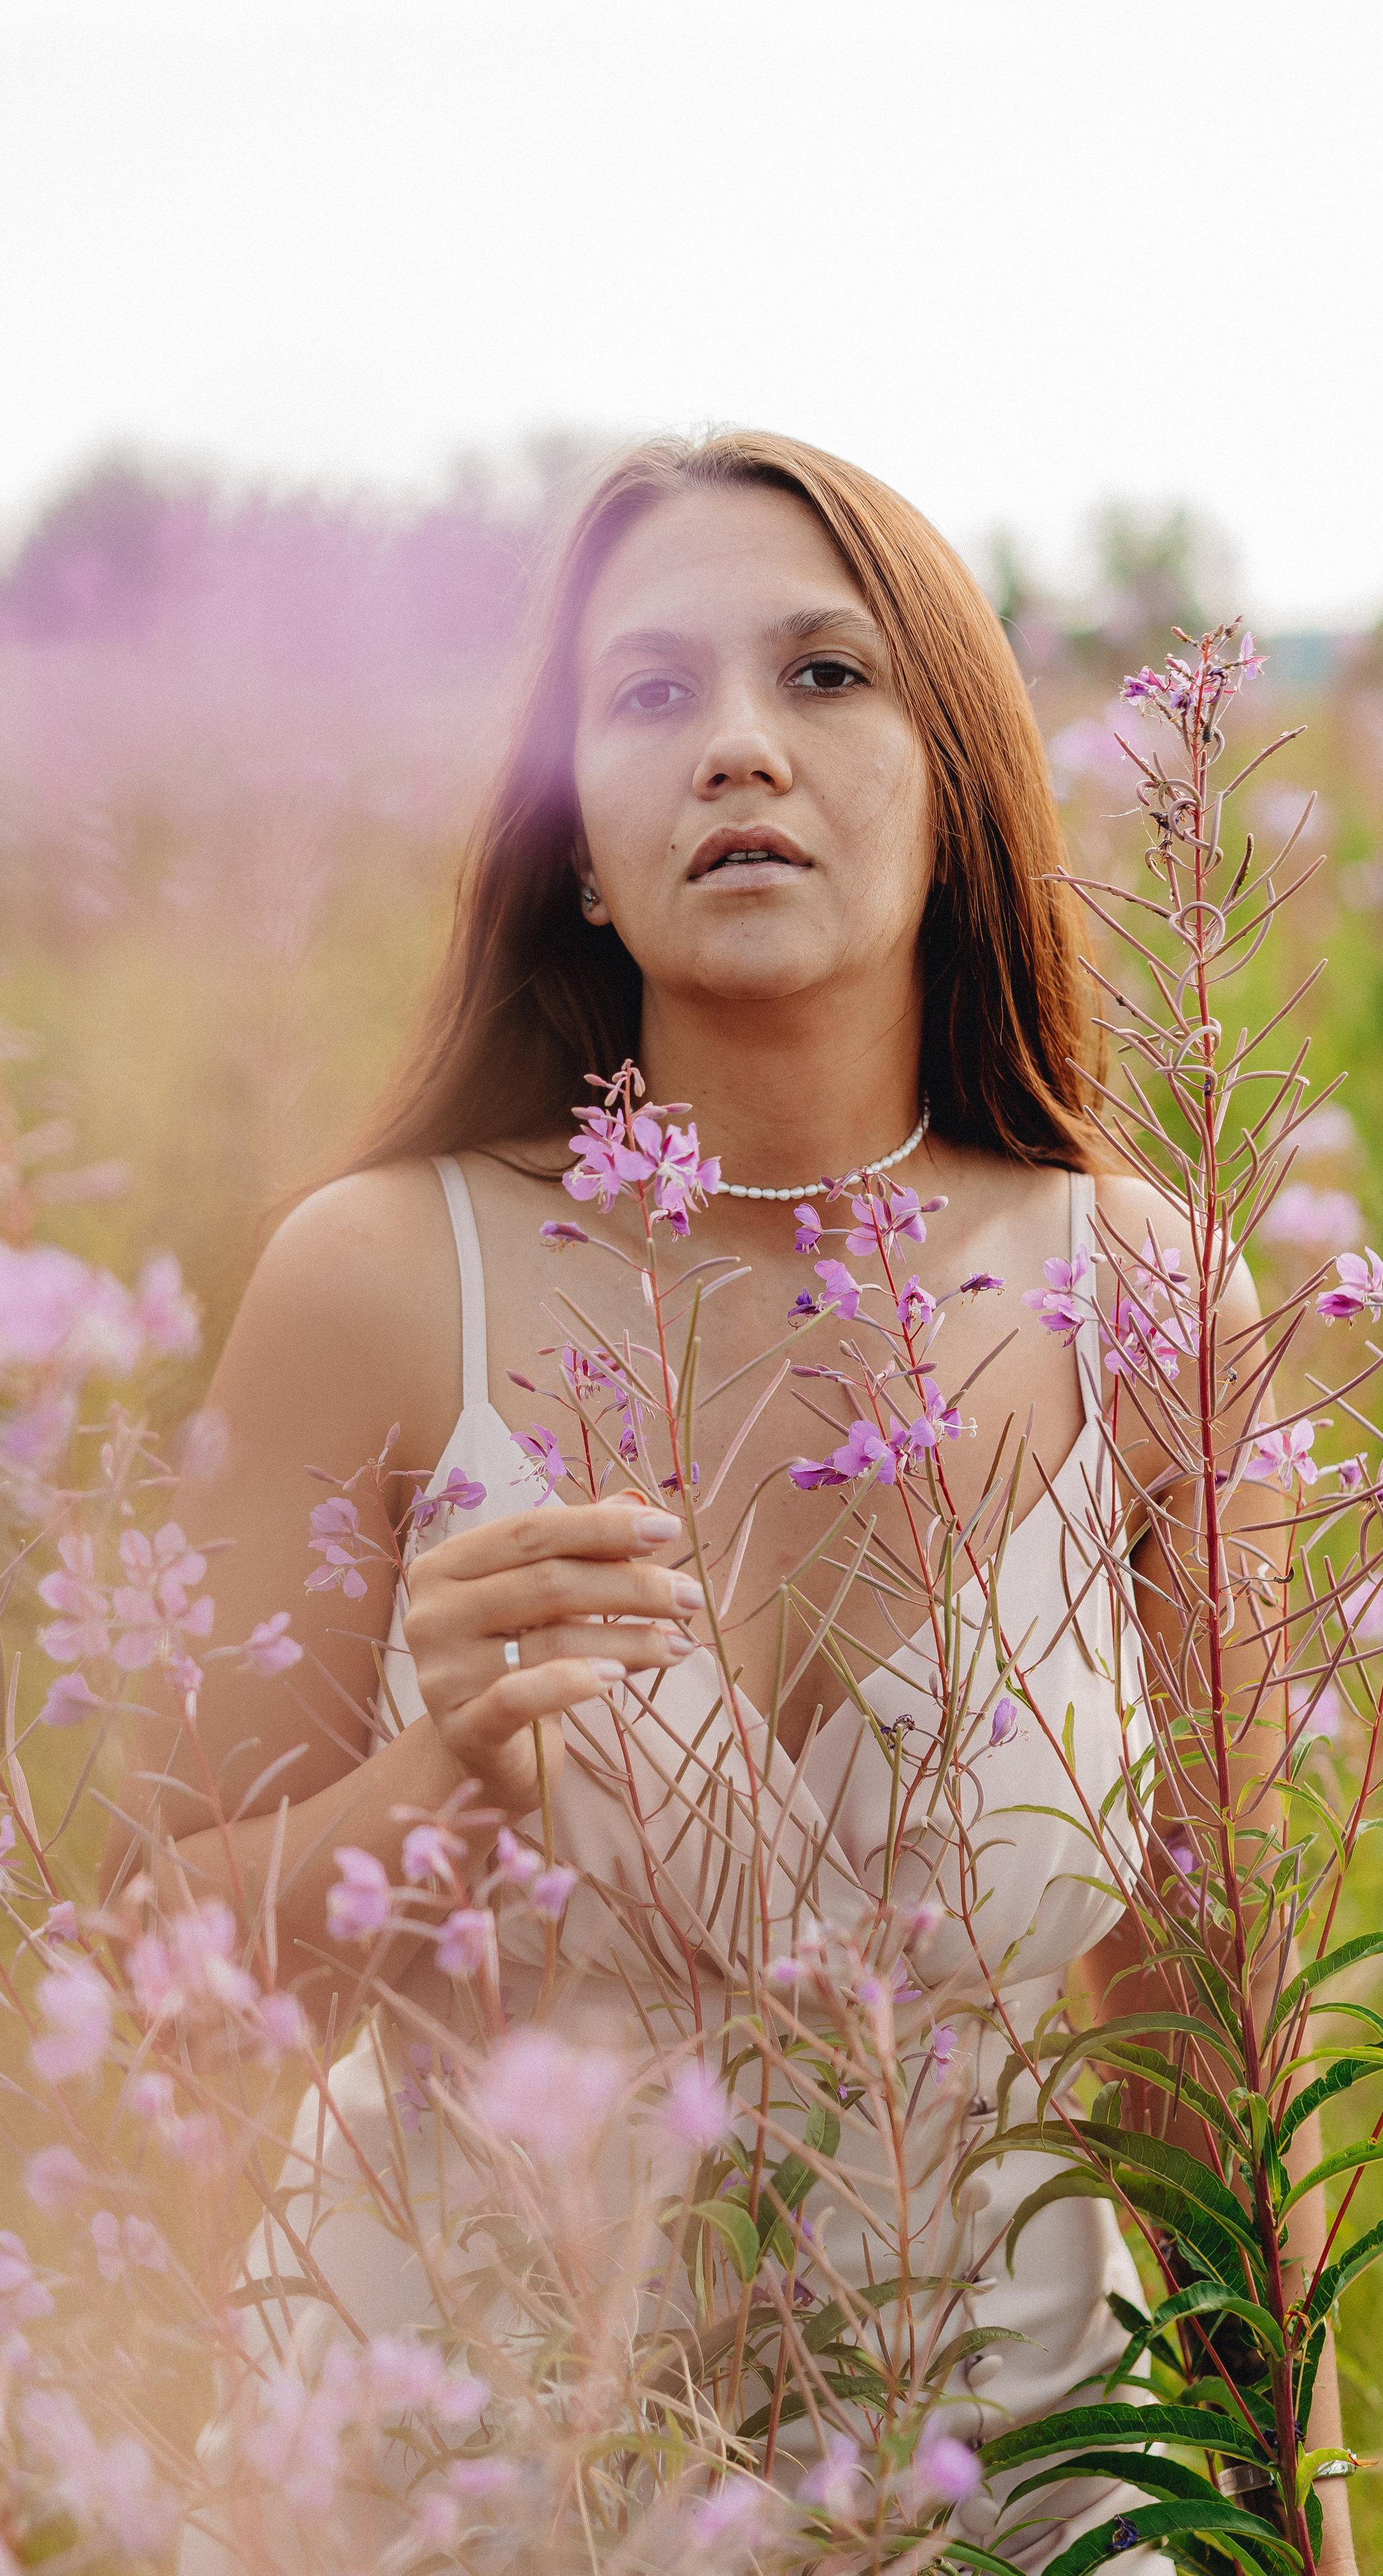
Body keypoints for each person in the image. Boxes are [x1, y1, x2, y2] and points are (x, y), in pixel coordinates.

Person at [108, 432, 1355, 2573]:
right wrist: (428, 1789)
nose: (740, 751)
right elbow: (138, 1966)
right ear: (578, 848)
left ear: (958, 792)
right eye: (653, 697)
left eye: (827, 679)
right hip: (492, 2483)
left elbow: (1208, 2052)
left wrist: (1304, 2528)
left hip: (1015, 2489)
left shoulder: (1141, 1294)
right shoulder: (381, 1279)